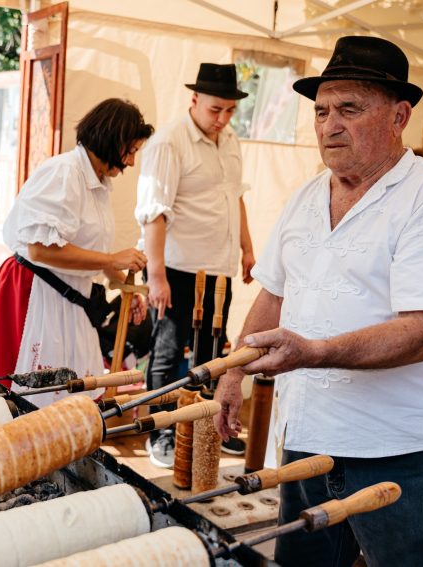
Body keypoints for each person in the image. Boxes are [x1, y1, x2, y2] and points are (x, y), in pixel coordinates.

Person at [214, 36, 423, 567]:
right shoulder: (305, 196)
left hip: (400, 449)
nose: (328, 125)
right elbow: (273, 291)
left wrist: (313, 351)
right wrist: (233, 373)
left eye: (349, 109)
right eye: (320, 112)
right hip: (309, 438)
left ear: (399, 115)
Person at [0, 98, 153, 407]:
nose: (131, 162)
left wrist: (124, 283)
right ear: (114, 140)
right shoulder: (63, 173)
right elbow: (40, 249)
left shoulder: (97, 183)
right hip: (35, 294)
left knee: (74, 391)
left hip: (70, 299)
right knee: (28, 396)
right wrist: (112, 259)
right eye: (131, 151)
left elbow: (89, 248)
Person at [135, 63, 256, 468]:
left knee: (210, 353)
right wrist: (156, 276)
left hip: (218, 268)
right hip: (176, 268)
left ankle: (204, 429)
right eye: (214, 110)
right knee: (168, 354)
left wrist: (247, 250)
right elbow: (155, 213)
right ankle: (163, 431)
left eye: (229, 111)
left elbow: (233, 196)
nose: (222, 119)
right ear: (194, 100)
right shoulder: (169, 142)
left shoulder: (231, 140)